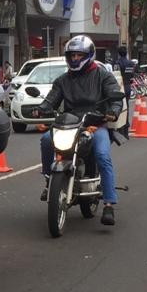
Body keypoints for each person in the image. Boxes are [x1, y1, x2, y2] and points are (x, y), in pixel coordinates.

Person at [36, 35, 125, 226]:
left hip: (95, 125)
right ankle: (48, 180)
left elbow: (115, 97)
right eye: (72, 55)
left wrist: (113, 111)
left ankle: (109, 203)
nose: (75, 58)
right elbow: (51, 99)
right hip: (68, 125)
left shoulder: (103, 75)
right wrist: (42, 108)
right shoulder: (62, 80)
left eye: (79, 55)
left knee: (102, 155)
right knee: (45, 139)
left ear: (89, 55)